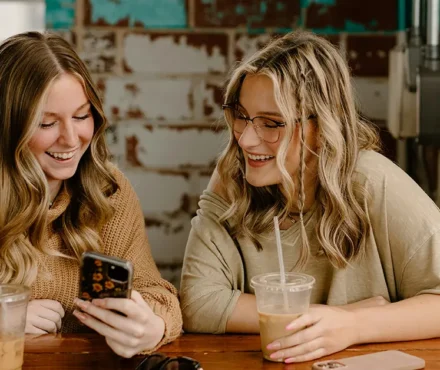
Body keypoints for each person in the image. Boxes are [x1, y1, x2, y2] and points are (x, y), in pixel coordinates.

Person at [180, 30, 440, 363]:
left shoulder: (373, 181)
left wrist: (355, 326)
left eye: (271, 124)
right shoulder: (232, 175)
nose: (245, 140)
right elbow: (197, 303)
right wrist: (331, 317)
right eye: (241, 116)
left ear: (323, 128)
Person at [0, 32, 182, 358]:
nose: (71, 139)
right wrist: (6, 317)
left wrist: (153, 325)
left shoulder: (108, 190)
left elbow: (156, 291)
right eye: (46, 123)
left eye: (82, 116)